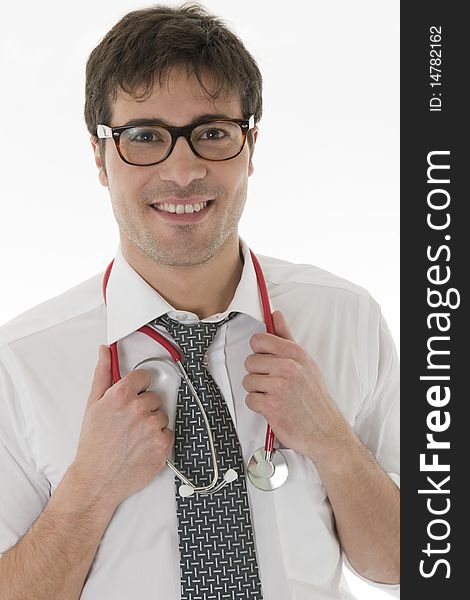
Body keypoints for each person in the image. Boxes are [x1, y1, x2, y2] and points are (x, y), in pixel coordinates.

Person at [0, 4, 399, 599]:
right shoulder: (21, 361)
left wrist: (334, 444)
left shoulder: (346, 318)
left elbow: (406, 565)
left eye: (212, 133)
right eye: (144, 137)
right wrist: (89, 490)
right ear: (100, 158)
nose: (182, 171)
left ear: (251, 145)